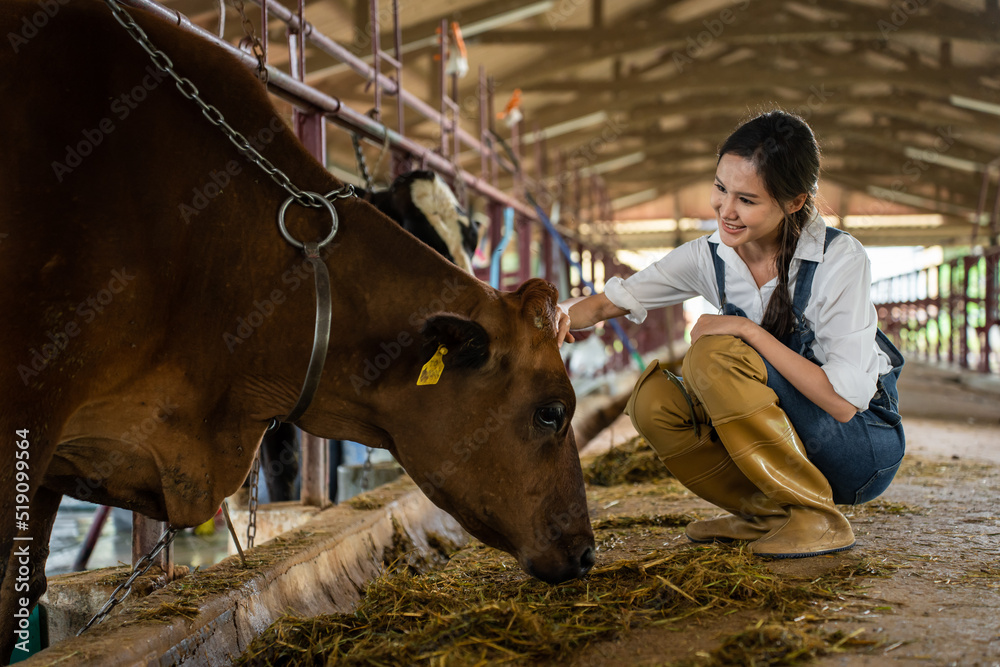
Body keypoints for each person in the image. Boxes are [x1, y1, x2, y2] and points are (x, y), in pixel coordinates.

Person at [557, 110, 905, 558]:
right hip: (794, 435)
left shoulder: (840, 260)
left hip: (857, 449)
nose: (726, 210)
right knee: (652, 401)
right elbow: (610, 302)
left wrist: (745, 329)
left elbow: (842, 403)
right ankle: (767, 514)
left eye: (747, 199)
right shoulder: (711, 255)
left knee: (714, 355)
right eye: (721, 189)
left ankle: (816, 518)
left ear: (794, 202)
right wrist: (549, 316)